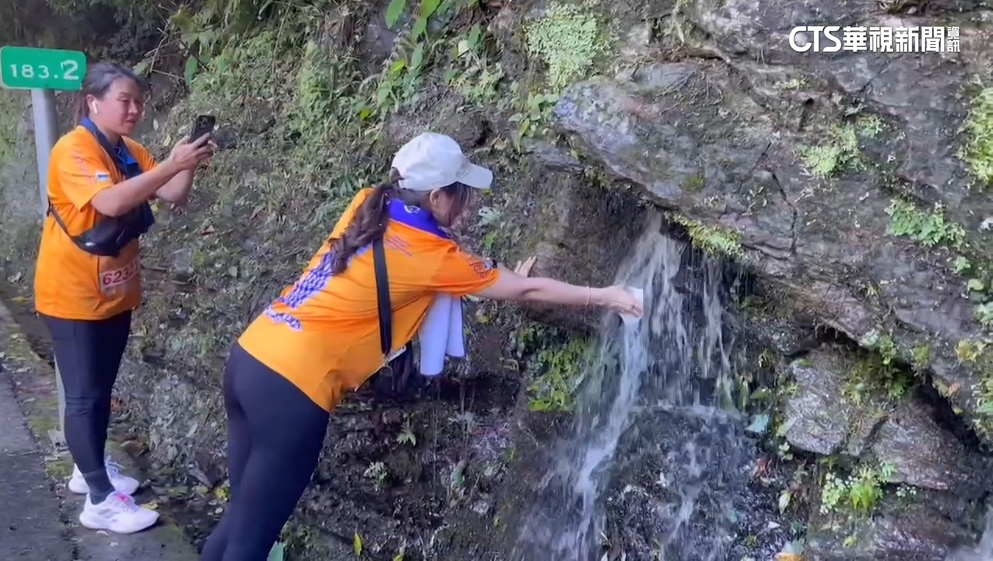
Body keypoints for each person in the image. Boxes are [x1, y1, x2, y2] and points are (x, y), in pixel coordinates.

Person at [199, 132, 643, 561]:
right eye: (462, 193)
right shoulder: (432, 257)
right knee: (252, 541)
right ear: (436, 198)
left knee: (241, 518)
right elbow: (521, 292)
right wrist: (603, 295)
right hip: (292, 388)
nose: (469, 204)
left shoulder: (368, 204)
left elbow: (452, 265)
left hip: (252, 355)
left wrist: (511, 276)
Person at [33, 62, 214, 534]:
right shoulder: (73, 149)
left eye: (138, 101)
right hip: (72, 294)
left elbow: (172, 192)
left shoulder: (129, 149)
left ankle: (85, 469)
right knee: (84, 397)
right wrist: (172, 165)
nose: (134, 109)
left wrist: (186, 165)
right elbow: (110, 202)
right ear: (93, 103)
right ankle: (98, 499)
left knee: (100, 391)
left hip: (114, 291)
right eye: (124, 100)